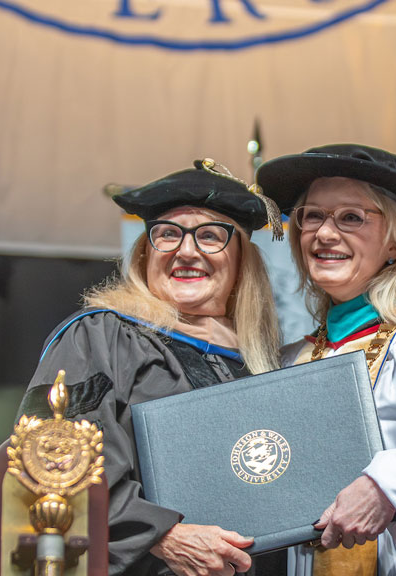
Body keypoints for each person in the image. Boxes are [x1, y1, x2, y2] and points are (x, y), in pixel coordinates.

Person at [17, 159, 282, 576]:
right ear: (145, 253)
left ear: (242, 261)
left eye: (211, 236)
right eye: (167, 235)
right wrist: (163, 535)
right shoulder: (101, 337)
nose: (186, 250)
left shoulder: (266, 364)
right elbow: (49, 460)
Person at [255, 144, 396, 576]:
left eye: (351, 217)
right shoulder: (298, 355)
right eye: (311, 216)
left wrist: (384, 487)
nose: (324, 233)